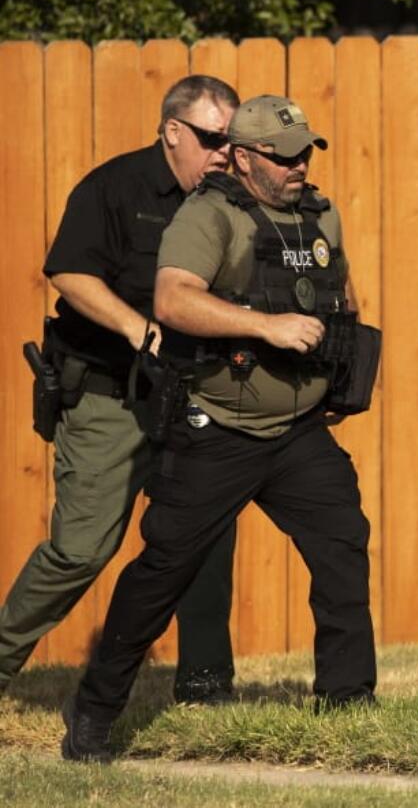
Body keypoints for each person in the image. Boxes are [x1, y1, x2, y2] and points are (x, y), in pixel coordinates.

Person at [60, 94, 377, 762]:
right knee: (163, 570)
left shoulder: (321, 215)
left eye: (304, 153)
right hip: (217, 426)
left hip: (295, 428)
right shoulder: (207, 216)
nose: (297, 166)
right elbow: (173, 300)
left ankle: (348, 704)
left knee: (343, 540)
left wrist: (341, 368)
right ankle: (94, 712)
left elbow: (342, 296)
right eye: (282, 155)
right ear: (243, 154)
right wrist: (266, 327)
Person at [0, 76, 241, 705]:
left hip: (193, 397)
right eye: (213, 138)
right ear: (173, 131)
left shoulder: (231, 201)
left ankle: (205, 684)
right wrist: (141, 329)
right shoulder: (114, 188)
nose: (224, 151)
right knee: (81, 550)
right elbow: (68, 273)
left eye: (231, 139)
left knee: (206, 532)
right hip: (111, 397)